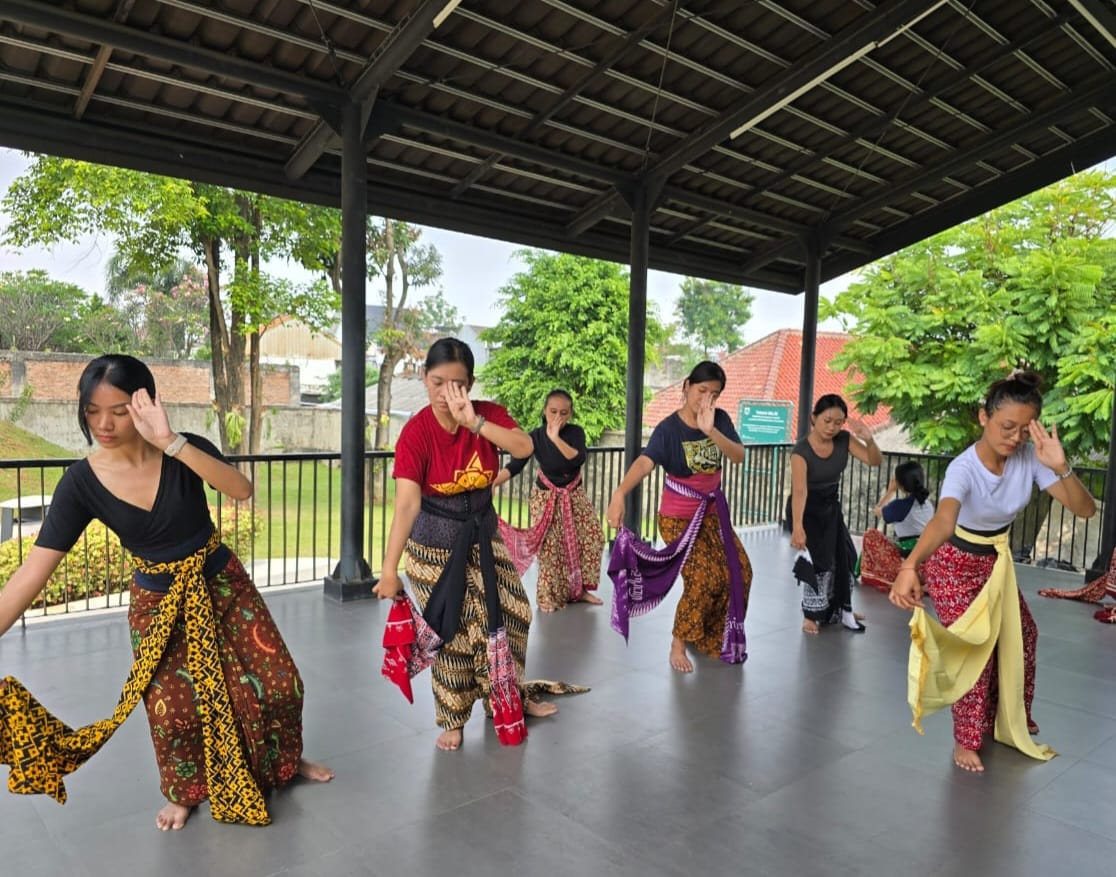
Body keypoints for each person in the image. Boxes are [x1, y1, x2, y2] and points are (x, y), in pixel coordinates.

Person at [0, 355, 332, 831]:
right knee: (173, 711)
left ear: (144, 403)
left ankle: (284, 762)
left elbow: (241, 489)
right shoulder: (81, 483)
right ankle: (185, 792)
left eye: (117, 410)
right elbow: (33, 571)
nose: (104, 424)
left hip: (221, 583)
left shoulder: (184, 449)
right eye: (92, 411)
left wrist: (172, 442)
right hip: (158, 604)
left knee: (280, 683)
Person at [373, 339, 579, 751]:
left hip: (483, 538)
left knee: (515, 611)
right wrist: (389, 568)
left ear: (470, 384)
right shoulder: (416, 433)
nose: (447, 393)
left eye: (457, 384)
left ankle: (507, 695)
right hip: (434, 548)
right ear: (423, 379)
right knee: (453, 631)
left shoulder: (488, 416)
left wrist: (474, 425)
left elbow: (524, 448)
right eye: (437, 382)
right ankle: (453, 718)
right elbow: (408, 503)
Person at [889, 371, 1096, 773]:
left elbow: (1085, 510)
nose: (1015, 438)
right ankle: (965, 741)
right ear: (984, 417)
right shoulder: (963, 469)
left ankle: (1006, 719)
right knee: (974, 650)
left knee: (1024, 637)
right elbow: (944, 521)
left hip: (994, 563)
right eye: (1006, 427)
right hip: (953, 562)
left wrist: (1062, 466)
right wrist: (910, 565)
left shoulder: (1029, 459)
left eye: (1023, 430)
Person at [605, 361, 752, 673]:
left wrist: (711, 431)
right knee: (702, 578)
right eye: (701, 391)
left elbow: (738, 456)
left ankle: (711, 634)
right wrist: (619, 494)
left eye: (714, 394)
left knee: (741, 571)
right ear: (686, 387)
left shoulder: (720, 420)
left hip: (713, 515)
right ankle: (679, 642)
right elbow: (645, 463)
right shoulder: (669, 429)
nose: (706, 399)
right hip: (679, 518)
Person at [493, 389, 605, 613]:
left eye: (564, 412)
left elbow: (578, 458)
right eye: (553, 411)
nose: (558, 417)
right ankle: (547, 597)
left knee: (593, 537)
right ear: (545, 411)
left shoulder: (575, 433)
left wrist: (555, 437)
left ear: (570, 413)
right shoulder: (534, 436)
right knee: (550, 549)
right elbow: (517, 464)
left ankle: (579, 590)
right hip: (546, 496)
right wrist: (495, 482)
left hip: (573, 494)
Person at [789, 394, 882, 634]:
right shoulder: (801, 450)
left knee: (846, 557)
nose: (832, 427)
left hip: (831, 506)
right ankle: (811, 615)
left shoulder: (844, 440)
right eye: (827, 420)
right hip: (807, 509)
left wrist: (869, 440)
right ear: (814, 418)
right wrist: (798, 527)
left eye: (838, 422)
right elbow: (799, 491)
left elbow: (874, 461)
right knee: (820, 563)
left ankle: (841, 606)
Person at [859, 461, 935, 591]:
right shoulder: (928, 504)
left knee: (870, 535)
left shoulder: (900, 506)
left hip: (907, 565)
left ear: (900, 484)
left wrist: (890, 491)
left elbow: (878, 511)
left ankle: (893, 578)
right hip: (928, 566)